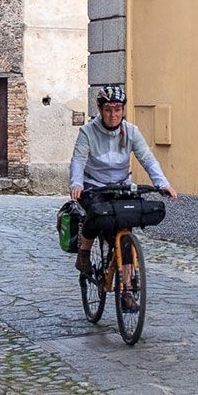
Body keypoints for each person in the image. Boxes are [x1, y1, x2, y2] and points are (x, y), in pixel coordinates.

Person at [69, 85, 178, 305]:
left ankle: (127, 289)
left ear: (123, 110)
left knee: (125, 232)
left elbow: (147, 158)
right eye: (108, 109)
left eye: (118, 109)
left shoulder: (131, 132)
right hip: (95, 185)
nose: (113, 114)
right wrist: (76, 183)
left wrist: (162, 183)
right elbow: (79, 159)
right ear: (100, 109)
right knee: (94, 213)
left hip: (121, 185)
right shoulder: (88, 132)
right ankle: (84, 254)